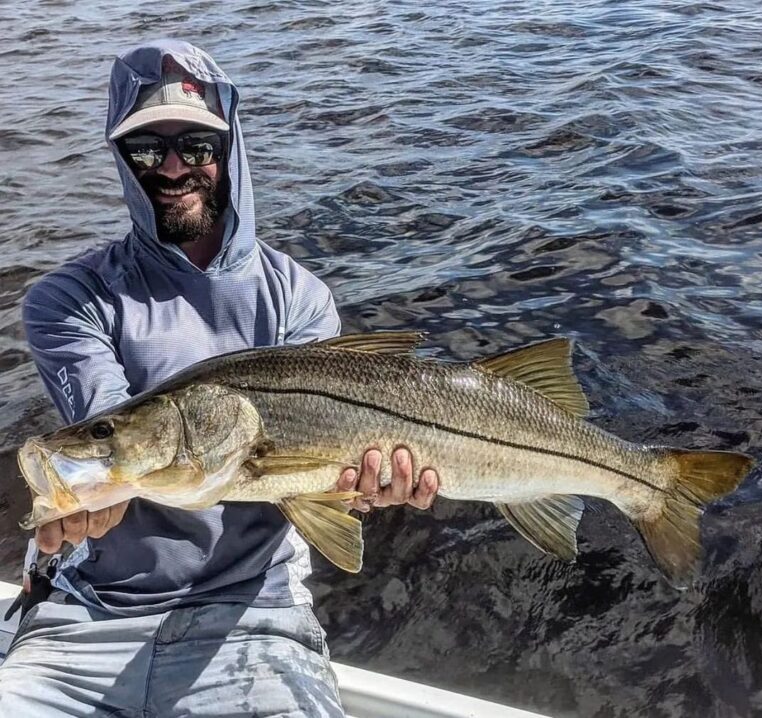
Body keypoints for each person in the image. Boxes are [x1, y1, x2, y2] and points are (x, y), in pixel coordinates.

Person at [0, 39, 439, 717]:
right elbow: (110, 427)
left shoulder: (299, 299)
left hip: (255, 616)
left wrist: (365, 490)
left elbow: (322, 479)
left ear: (229, 148)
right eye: (147, 150)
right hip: (83, 620)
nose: (174, 168)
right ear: (122, 161)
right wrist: (74, 503)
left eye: (197, 145)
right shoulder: (69, 298)